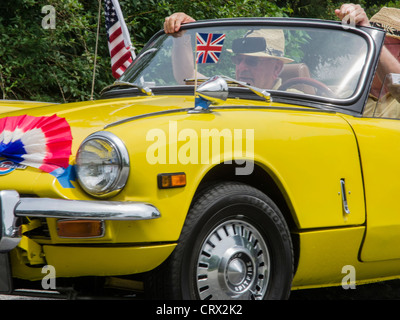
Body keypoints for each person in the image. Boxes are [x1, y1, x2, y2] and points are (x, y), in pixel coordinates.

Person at [164, 13, 293, 90]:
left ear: (276, 68)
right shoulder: (229, 90)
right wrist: (182, 35)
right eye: (238, 60)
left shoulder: (294, 102)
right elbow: (187, 78)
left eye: (252, 61)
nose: (241, 67)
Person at [335, 4, 400, 117]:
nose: (370, 49)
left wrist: (371, 33)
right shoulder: (347, 95)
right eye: (367, 41)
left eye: (384, 44)